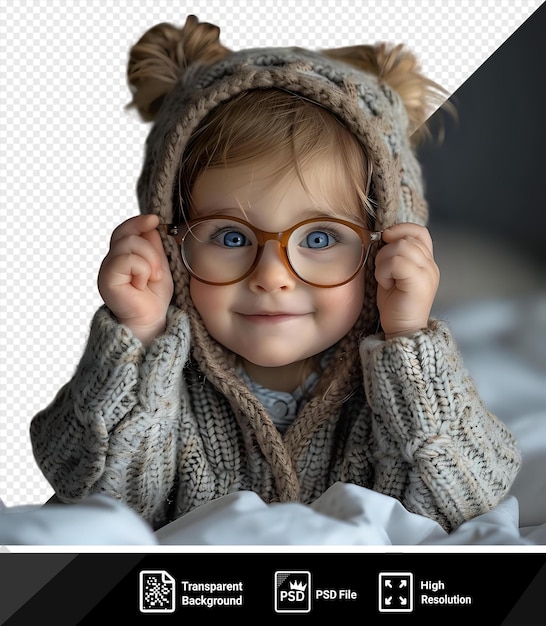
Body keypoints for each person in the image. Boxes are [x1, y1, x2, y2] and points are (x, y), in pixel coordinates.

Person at [30, 15, 521, 533]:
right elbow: (91, 495)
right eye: (231, 237)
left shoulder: (392, 381)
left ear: (386, 246)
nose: (272, 276)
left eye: (320, 238)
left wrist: (408, 343)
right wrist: (140, 339)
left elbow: (463, 501)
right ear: (170, 241)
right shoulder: (163, 374)